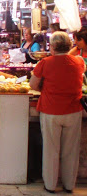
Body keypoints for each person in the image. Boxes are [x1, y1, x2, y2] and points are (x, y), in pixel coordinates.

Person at [29, 32, 85, 193]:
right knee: (71, 151)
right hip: (73, 111)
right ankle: (69, 186)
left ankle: (51, 185)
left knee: (51, 150)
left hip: (51, 110)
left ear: (52, 47)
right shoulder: (78, 62)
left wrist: (44, 87)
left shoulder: (45, 63)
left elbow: (33, 85)